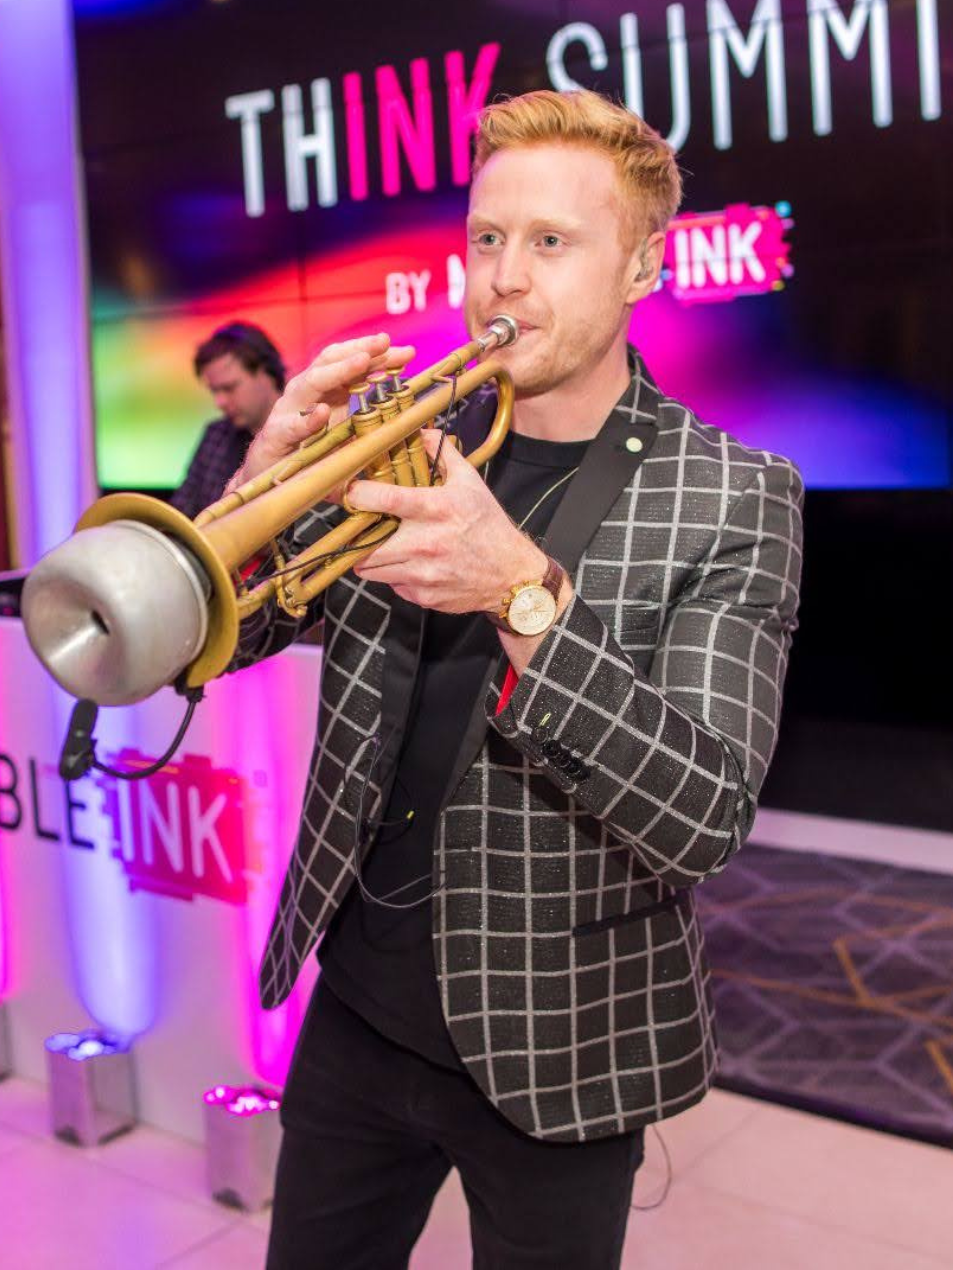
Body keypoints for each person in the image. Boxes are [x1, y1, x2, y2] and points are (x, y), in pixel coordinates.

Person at [230, 90, 803, 1269]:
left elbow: (701, 815)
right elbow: (228, 635)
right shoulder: (396, 434)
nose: (504, 277)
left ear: (641, 265)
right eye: (488, 239)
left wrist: (520, 591)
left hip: (564, 1043)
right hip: (356, 1011)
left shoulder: (736, 496)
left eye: (551, 243)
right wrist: (251, 492)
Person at [170, 320, 285, 519]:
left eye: (229, 388)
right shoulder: (215, 434)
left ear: (266, 373)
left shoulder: (308, 429)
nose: (219, 402)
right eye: (214, 391)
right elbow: (182, 509)